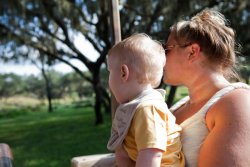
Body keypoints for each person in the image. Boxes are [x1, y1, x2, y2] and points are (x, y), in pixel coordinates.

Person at [162, 8, 250, 167]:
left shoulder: (235, 102)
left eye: (167, 49)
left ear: (192, 52)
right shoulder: (179, 106)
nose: (161, 57)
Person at [106, 33, 184, 167]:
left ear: (124, 73)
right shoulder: (136, 107)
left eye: (110, 72)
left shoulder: (148, 108)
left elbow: (152, 154)